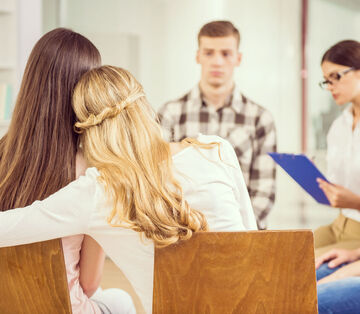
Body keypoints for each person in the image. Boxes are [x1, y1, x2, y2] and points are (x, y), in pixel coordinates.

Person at [0, 65, 258, 313]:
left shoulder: (97, 192)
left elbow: (9, 228)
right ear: (144, 106)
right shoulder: (216, 150)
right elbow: (254, 245)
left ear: (86, 133)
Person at [0, 29, 135, 314]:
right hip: (63, 308)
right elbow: (88, 283)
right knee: (120, 300)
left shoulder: (3, 154)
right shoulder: (95, 172)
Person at [158, 20, 276, 229]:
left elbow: (264, 192)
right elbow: (158, 181)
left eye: (226, 53)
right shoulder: (170, 114)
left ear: (238, 58)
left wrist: (234, 232)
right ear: (198, 56)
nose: (217, 62)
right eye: (209, 53)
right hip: (184, 238)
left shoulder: (260, 119)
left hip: (244, 237)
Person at [314, 39, 360, 258]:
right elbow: (338, 182)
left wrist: (356, 202)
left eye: (336, 77)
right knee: (281, 254)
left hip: (357, 234)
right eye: (326, 81)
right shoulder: (338, 126)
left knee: (299, 270)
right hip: (339, 224)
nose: (330, 87)